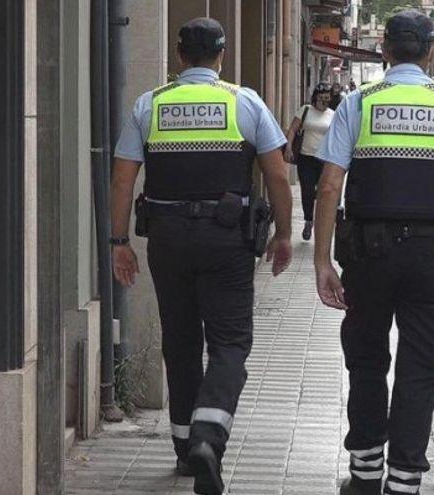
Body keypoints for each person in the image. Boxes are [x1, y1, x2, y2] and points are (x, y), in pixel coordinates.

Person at [312, 9, 434, 495]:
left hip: (367, 257)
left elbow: (329, 187)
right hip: (430, 257)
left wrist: (322, 262)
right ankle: (404, 479)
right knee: (419, 366)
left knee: (367, 360)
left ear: (385, 50)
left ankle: (366, 472)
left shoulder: (359, 102)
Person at [110, 17, 293, 495]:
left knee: (182, 340)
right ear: (221, 56)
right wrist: (285, 233)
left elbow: (123, 180)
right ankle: (209, 438)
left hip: (167, 239)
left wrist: (118, 243)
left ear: (178, 56)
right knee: (230, 344)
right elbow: (276, 173)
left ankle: (185, 448)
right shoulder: (244, 101)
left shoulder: (150, 104)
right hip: (226, 239)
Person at [284, 83, 335, 240]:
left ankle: (320, 223)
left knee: (322, 193)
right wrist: (288, 148)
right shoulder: (305, 110)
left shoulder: (333, 114)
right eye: (321, 98)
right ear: (315, 97)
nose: (324, 101)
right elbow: (292, 129)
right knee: (307, 191)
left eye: (327, 98)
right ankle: (308, 221)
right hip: (306, 158)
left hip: (324, 159)